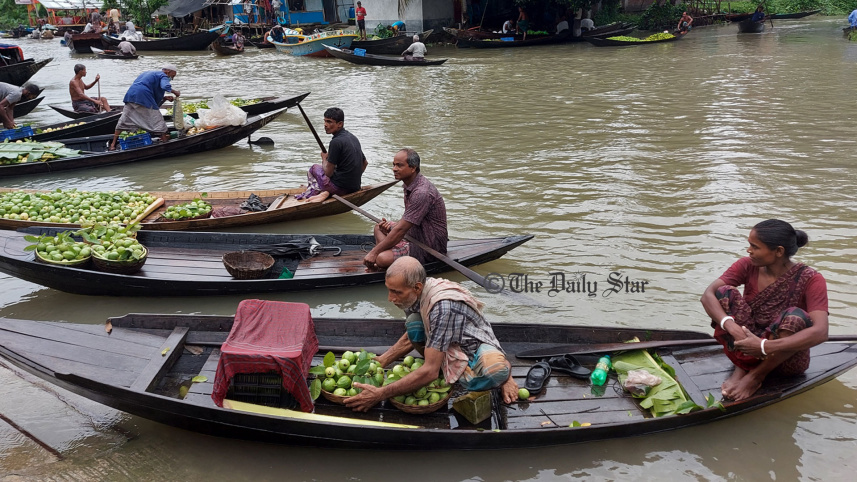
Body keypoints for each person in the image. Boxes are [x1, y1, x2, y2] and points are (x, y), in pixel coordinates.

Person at [344, 256, 520, 412]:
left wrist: (380, 394)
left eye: (396, 292)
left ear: (417, 287)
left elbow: (430, 373)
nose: (391, 298)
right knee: (413, 322)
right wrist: (384, 360)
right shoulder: (417, 294)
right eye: (389, 290)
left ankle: (506, 374)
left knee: (495, 372)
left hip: (473, 346)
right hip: (446, 339)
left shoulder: (442, 306)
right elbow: (411, 335)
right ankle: (438, 361)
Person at [700, 219, 829, 401]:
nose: (748, 251)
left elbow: (821, 332)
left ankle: (756, 375)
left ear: (778, 251)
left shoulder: (811, 279)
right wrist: (731, 327)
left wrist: (764, 346)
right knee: (724, 293)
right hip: (745, 345)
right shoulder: (747, 265)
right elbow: (708, 295)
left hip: (784, 359)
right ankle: (742, 366)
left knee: (796, 317)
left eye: (755, 246)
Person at [362, 149, 448, 270]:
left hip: (428, 246)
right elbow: (406, 222)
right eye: (394, 165)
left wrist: (374, 252)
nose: (394, 169)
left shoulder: (422, 193)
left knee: (381, 258)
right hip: (414, 234)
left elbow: (401, 229)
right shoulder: (409, 184)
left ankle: (386, 258)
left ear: (413, 168)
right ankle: (390, 254)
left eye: (399, 165)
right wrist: (393, 228)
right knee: (379, 227)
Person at [294, 107, 367, 203]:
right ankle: (324, 191)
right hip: (355, 187)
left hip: (339, 189)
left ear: (340, 124)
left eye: (329, 122)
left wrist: (324, 159)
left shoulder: (336, 142)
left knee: (314, 168)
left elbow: (328, 173)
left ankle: (312, 192)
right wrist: (352, 180)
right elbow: (365, 163)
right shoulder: (353, 138)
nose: (325, 125)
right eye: (325, 121)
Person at [109, 65, 180, 150]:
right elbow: (165, 86)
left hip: (131, 96)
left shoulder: (149, 73)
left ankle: (112, 145)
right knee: (158, 120)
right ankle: (165, 144)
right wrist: (175, 92)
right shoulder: (163, 75)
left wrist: (164, 98)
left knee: (124, 121)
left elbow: (151, 93)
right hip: (142, 96)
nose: (171, 79)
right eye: (172, 76)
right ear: (168, 72)